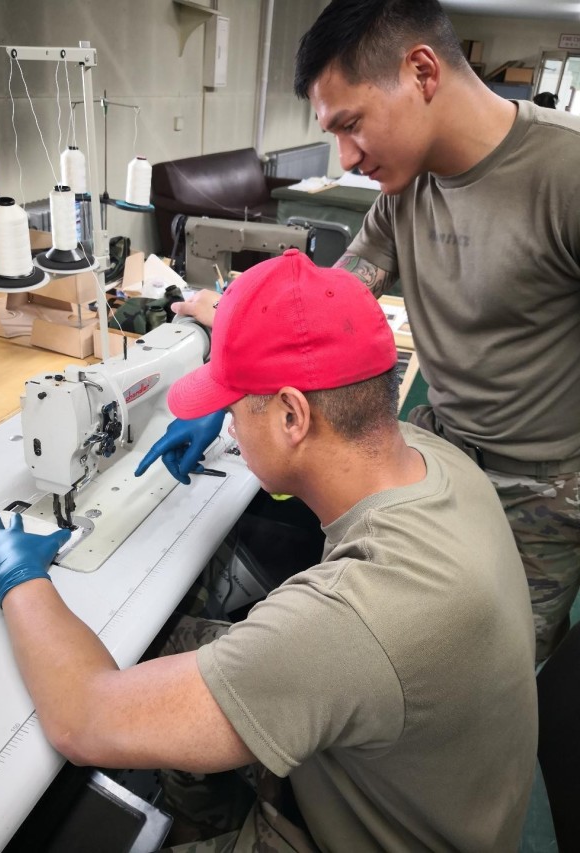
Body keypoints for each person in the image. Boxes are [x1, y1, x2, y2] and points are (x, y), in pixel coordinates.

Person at [0, 251, 537, 852]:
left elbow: (84, 720)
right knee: (177, 653)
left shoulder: (353, 618)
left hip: (360, 837)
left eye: (231, 407)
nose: (226, 422)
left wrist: (20, 577)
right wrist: (233, 422)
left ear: (292, 414)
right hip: (432, 791)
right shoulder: (435, 461)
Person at [148, 1, 580, 667]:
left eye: (352, 126)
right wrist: (234, 390)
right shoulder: (406, 191)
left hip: (543, 490)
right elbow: (331, 300)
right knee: (391, 639)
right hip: (444, 449)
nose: (347, 156)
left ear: (422, 72)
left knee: (487, 672)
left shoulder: (565, 174)